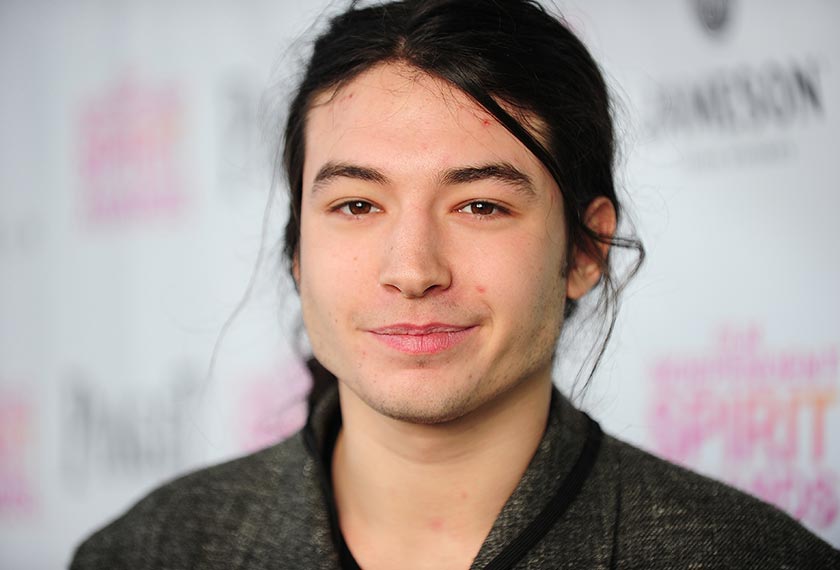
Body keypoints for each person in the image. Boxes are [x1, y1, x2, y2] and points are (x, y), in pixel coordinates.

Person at [71, 0, 840, 568]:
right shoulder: (150, 551)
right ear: (298, 249)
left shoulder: (749, 556)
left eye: (480, 204)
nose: (412, 270)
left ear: (584, 247)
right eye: (357, 205)